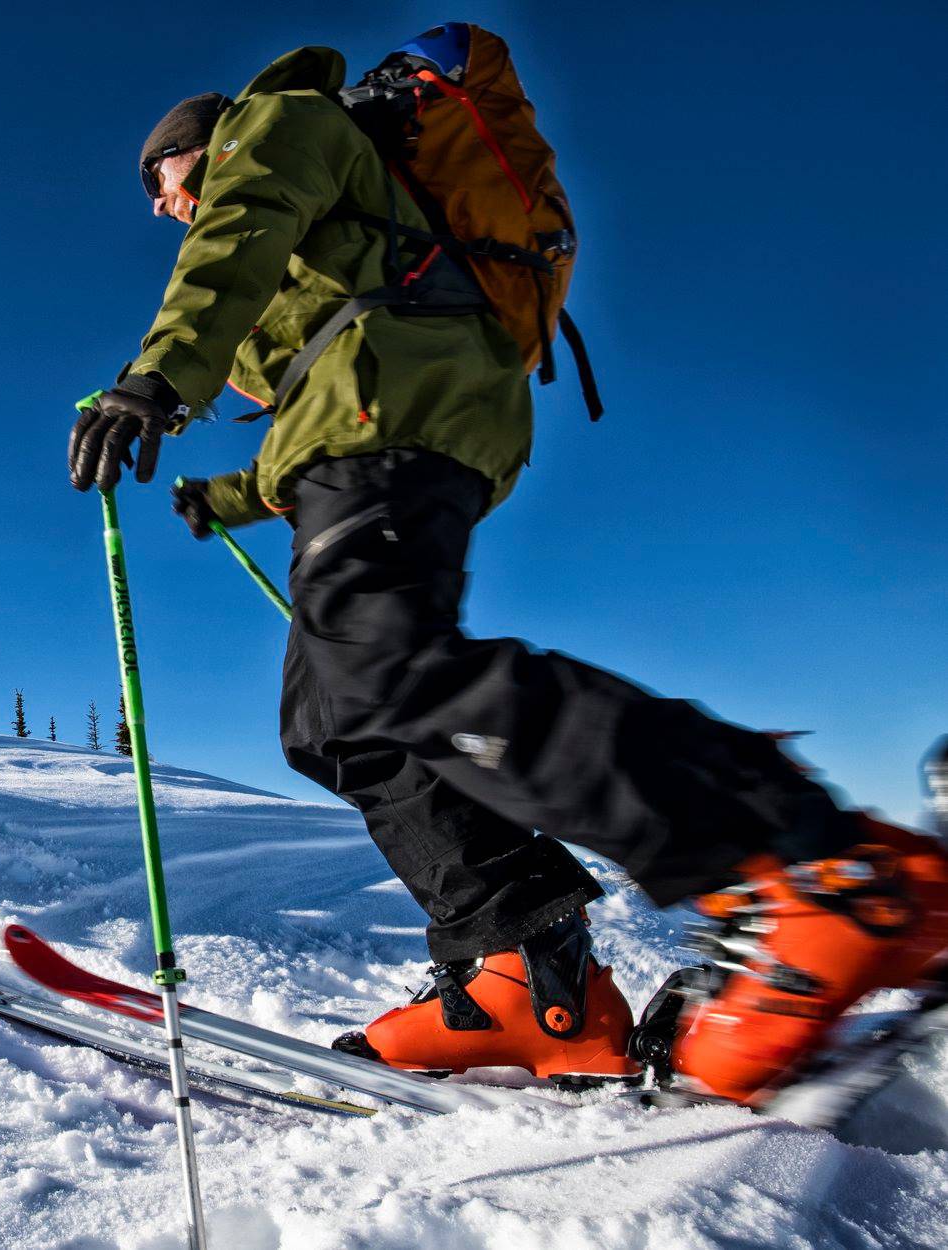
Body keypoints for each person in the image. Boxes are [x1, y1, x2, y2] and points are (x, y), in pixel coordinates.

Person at [67, 39, 948, 1104]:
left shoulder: (275, 129)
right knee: (339, 721)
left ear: (193, 149)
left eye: (160, 185)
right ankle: (528, 975)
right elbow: (316, 380)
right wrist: (229, 496)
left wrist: (154, 382)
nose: (164, 210)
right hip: (363, 420)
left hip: (394, 413)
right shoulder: (322, 215)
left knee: (392, 668)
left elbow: (245, 249)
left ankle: (804, 858)